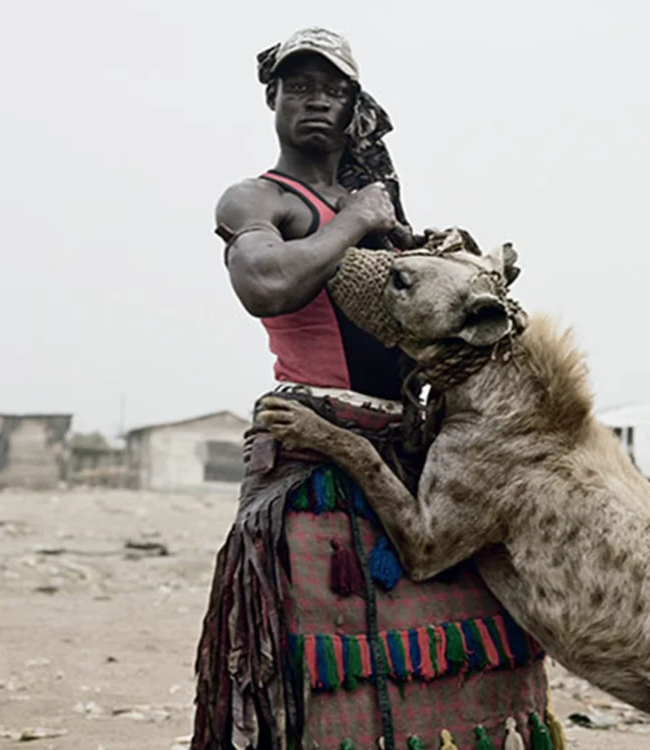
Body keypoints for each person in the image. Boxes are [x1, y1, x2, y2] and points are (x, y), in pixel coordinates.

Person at [193, 28, 560, 750]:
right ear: (272, 97)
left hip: (411, 458)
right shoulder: (258, 199)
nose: (317, 102)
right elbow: (263, 284)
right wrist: (358, 220)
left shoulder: (379, 206)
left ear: (355, 107)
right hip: (312, 466)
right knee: (321, 680)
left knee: (485, 652)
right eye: (300, 87)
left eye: (334, 90)